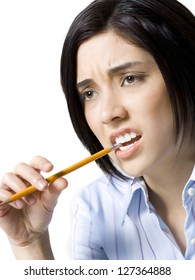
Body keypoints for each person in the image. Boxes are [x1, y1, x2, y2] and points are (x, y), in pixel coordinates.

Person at [0, 0, 194, 260]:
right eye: (89, 93)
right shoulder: (95, 209)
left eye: (130, 78)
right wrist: (30, 244)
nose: (107, 113)